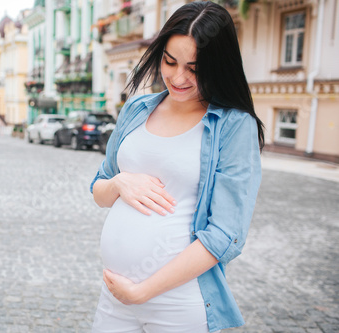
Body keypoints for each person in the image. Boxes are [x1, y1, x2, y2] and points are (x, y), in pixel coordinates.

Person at [90, 2, 265, 332]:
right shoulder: (137, 109)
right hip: (115, 296)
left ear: (218, 67)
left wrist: (143, 291)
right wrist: (119, 183)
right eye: (169, 61)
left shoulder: (233, 125)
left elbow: (225, 235)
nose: (178, 77)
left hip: (178, 302)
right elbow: (99, 189)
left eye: (195, 69)